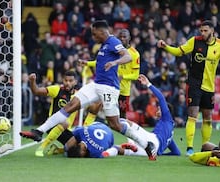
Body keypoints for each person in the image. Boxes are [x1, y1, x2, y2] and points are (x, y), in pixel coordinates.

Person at [20, 20, 156, 159]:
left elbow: (126, 56)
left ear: (102, 31)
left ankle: (146, 145)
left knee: (115, 124)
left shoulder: (113, 41)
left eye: (94, 33)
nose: (93, 37)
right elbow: (101, 62)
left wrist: (115, 63)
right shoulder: (104, 45)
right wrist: (89, 62)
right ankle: (38, 132)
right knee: (70, 106)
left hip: (109, 88)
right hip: (96, 85)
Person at [157, 20, 220, 156]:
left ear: (212, 31)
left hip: (209, 87)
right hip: (194, 83)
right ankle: (189, 148)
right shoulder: (194, 41)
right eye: (201, 31)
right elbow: (179, 52)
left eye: (205, 31)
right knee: (193, 115)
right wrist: (166, 46)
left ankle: (205, 147)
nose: (202, 33)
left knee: (208, 117)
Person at [102, 74, 181, 159]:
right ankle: (105, 154)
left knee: (124, 122)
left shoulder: (167, 118)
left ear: (167, 111)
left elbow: (161, 98)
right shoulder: (169, 134)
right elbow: (177, 152)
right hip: (147, 151)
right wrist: (160, 154)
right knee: (118, 149)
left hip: (151, 140)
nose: (157, 111)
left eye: (159, 109)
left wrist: (148, 84)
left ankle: (131, 142)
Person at [84, 28, 140, 119]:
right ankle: (87, 128)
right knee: (96, 107)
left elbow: (136, 75)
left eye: (124, 37)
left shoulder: (134, 54)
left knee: (122, 116)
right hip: (110, 86)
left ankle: (122, 132)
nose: (122, 39)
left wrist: (123, 77)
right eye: (120, 37)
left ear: (129, 38)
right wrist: (87, 63)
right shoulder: (113, 49)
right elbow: (100, 62)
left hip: (123, 90)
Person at [23, 71, 79, 157]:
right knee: (64, 122)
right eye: (65, 80)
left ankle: (56, 149)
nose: (67, 83)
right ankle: (42, 147)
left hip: (67, 129)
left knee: (77, 149)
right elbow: (36, 91)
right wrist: (32, 81)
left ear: (75, 82)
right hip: (52, 125)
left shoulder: (79, 95)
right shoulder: (57, 89)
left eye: (70, 81)